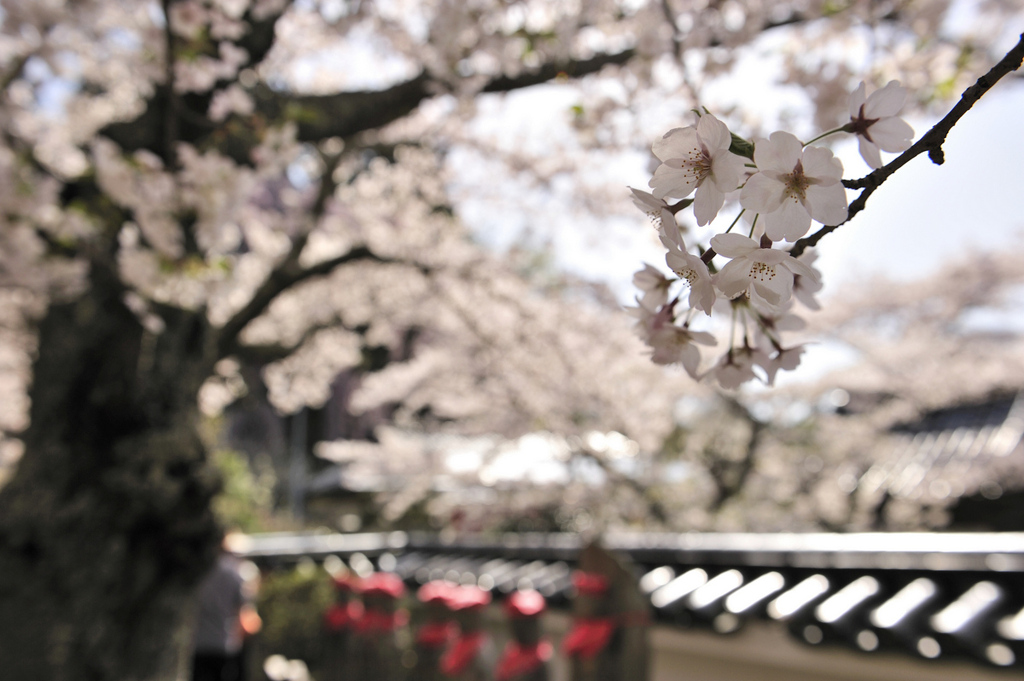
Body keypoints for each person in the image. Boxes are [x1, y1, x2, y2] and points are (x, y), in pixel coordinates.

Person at [192, 533, 261, 681]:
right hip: (224, 644)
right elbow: (246, 615)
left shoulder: (199, 573)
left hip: (198, 644)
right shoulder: (235, 575)